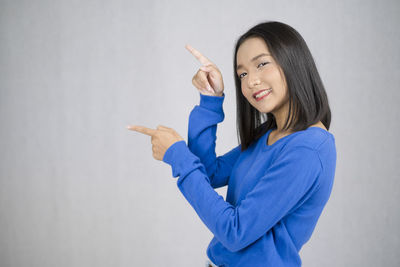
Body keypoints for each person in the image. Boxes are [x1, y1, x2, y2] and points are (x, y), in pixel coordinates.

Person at [127, 20, 337, 267]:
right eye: (242, 74)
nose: (250, 82)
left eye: (261, 64)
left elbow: (236, 232)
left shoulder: (308, 149)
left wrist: (177, 155)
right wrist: (210, 100)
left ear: (293, 61)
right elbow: (209, 172)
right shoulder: (270, 135)